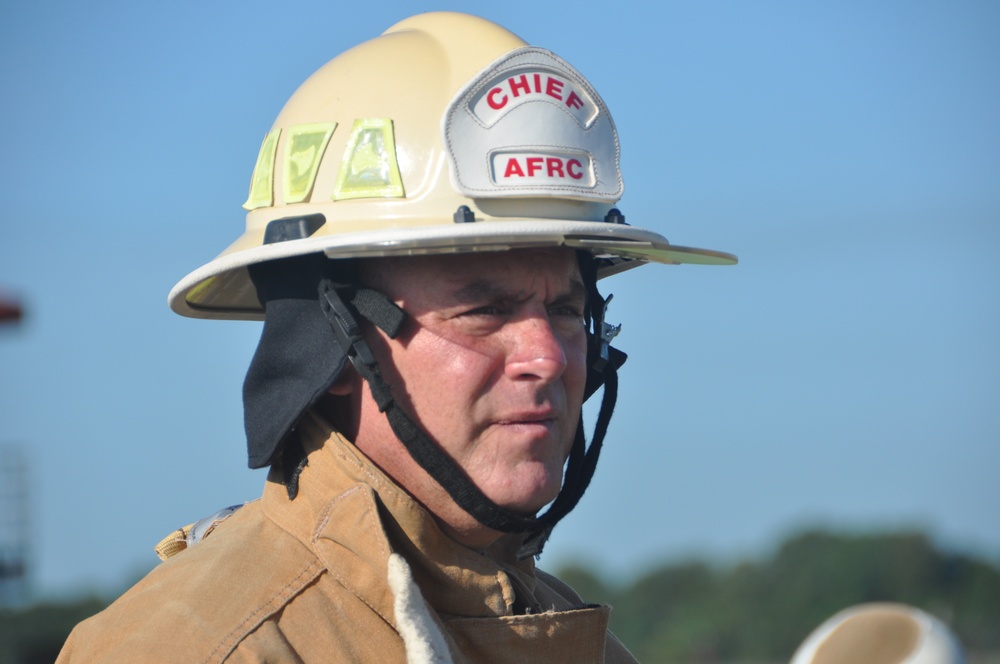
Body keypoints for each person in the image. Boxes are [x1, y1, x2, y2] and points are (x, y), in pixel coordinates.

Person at [57, 12, 735, 663]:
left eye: (566, 308)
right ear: (333, 340)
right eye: (485, 311)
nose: (549, 357)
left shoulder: (566, 639)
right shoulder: (196, 650)